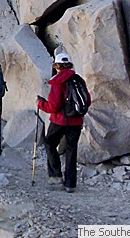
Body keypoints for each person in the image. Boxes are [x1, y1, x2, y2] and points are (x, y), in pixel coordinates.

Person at [37, 53, 91, 193]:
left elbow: (53, 106)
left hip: (59, 121)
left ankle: (55, 176)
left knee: (50, 143)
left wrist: (41, 104)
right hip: (76, 121)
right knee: (71, 150)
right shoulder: (78, 79)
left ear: (57, 65)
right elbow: (87, 100)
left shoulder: (57, 81)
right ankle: (70, 184)